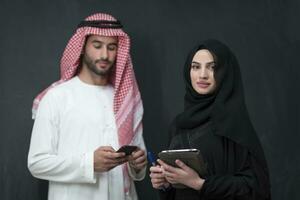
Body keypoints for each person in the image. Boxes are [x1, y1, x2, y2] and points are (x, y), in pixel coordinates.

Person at [28, 13, 147, 200]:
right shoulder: (57, 97)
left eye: (112, 47)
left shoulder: (125, 101)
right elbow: (37, 163)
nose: (104, 55)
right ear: (82, 47)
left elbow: (138, 170)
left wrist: (138, 165)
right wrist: (89, 163)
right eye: (97, 45)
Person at [150, 39, 271, 200]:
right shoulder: (178, 125)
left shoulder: (234, 124)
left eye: (212, 67)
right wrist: (165, 183)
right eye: (196, 67)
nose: (202, 75)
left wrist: (200, 184)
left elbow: (255, 188)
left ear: (225, 73)